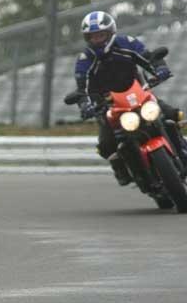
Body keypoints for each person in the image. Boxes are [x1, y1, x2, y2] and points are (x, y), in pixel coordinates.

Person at [74, 11, 185, 185]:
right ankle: (122, 168)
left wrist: (160, 68)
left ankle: (182, 149)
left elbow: (148, 58)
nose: (97, 40)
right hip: (109, 106)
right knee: (106, 144)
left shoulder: (127, 43)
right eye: (93, 37)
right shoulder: (85, 59)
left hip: (139, 94)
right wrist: (85, 105)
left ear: (111, 32)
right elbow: (82, 88)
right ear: (87, 38)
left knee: (172, 114)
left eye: (101, 35)